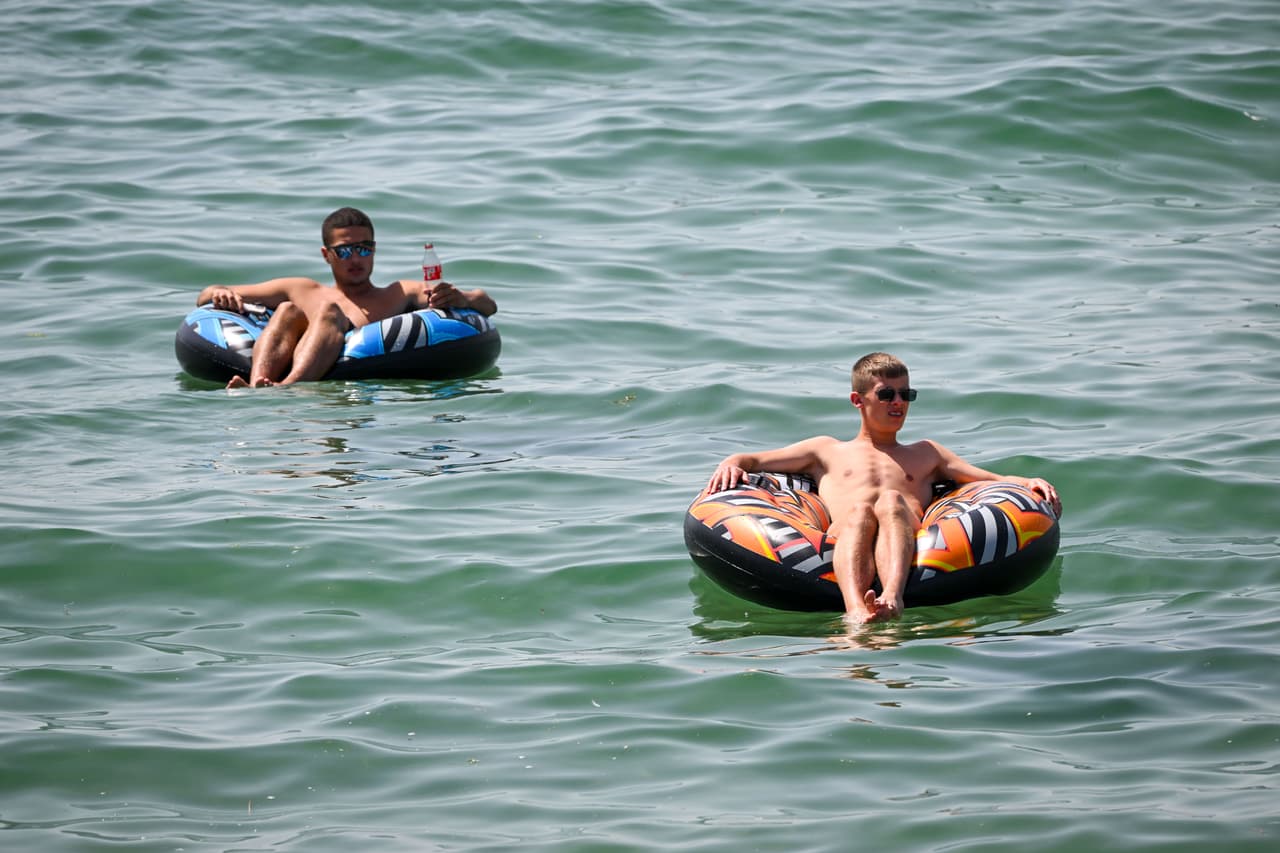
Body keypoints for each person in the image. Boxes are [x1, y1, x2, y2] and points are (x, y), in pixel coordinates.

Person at [705, 352, 1062, 625]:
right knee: (861, 509)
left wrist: (1027, 483)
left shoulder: (926, 453)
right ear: (858, 400)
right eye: (887, 394)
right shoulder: (825, 450)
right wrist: (732, 461)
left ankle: (892, 598)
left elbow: (985, 479)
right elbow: (756, 459)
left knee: (890, 500)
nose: (898, 403)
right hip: (845, 536)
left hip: (907, 532)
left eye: (907, 394)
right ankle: (856, 610)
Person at [195, 207, 497, 388]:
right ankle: (257, 386)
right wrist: (218, 292)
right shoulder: (302, 289)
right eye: (344, 250)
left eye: (364, 248)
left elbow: (487, 304)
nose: (356, 258)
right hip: (293, 358)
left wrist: (461, 298)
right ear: (327, 255)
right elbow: (206, 295)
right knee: (288, 309)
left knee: (330, 312)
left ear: (375, 250)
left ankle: (287, 389)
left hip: (353, 386)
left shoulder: (398, 293)